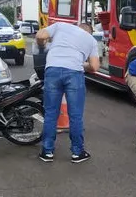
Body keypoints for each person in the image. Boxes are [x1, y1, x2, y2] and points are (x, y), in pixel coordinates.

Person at [35, 21, 100, 163]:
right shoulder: (91, 40)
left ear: (78, 27)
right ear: (89, 32)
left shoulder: (61, 26)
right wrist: (80, 63)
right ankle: (77, 152)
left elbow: (40, 35)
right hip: (74, 73)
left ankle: (47, 152)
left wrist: (41, 45)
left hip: (52, 70)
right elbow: (95, 66)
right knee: (75, 116)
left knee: (51, 113)